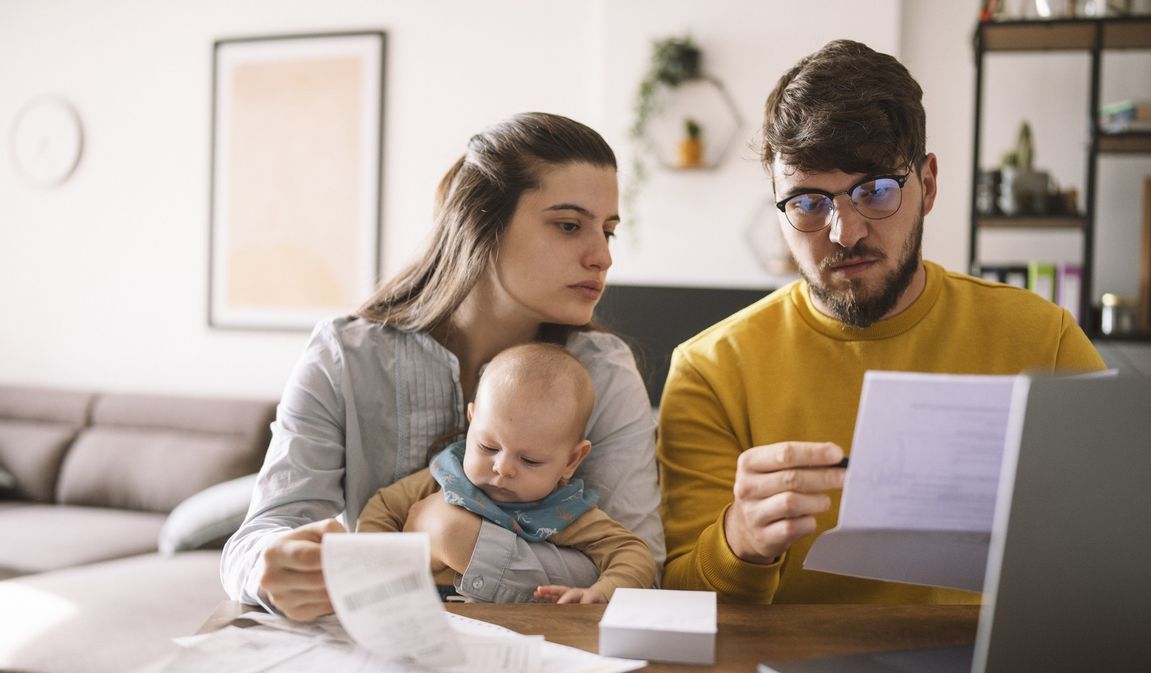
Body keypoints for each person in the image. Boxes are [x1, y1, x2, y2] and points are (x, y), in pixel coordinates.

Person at [657, 40, 1105, 605]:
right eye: (808, 203)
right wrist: (739, 542)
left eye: (875, 191)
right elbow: (678, 604)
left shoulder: (1044, 340)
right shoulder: (709, 371)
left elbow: (1123, 544)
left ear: (929, 186)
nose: (845, 233)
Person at [221, 112, 664, 621]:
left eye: (608, 231)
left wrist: (457, 539)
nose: (602, 257)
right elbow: (255, 540)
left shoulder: (604, 373)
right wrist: (269, 567)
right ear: (481, 224)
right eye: (569, 226)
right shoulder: (344, 357)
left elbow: (642, 568)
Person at [357, 343, 657, 604]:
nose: (502, 467)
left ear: (571, 460)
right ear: (472, 422)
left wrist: (603, 592)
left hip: (515, 628)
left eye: (530, 460)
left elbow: (633, 554)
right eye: (488, 447)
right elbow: (383, 507)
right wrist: (373, 571)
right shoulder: (446, 477)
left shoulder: (564, 511)